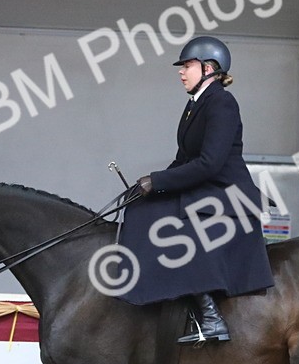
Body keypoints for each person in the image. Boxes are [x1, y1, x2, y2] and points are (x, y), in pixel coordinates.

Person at [117, 36, 274, 344]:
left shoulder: (222, 102)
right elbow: (183, 159)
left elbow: (210, 163)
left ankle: (211, 317)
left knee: (166, 224)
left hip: (224, 192)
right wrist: (148, 184)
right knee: (139, 208)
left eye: (187, 65)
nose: (181, 72)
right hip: (206, 187)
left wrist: (159, 182)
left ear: (209, 68)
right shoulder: (195, 105)